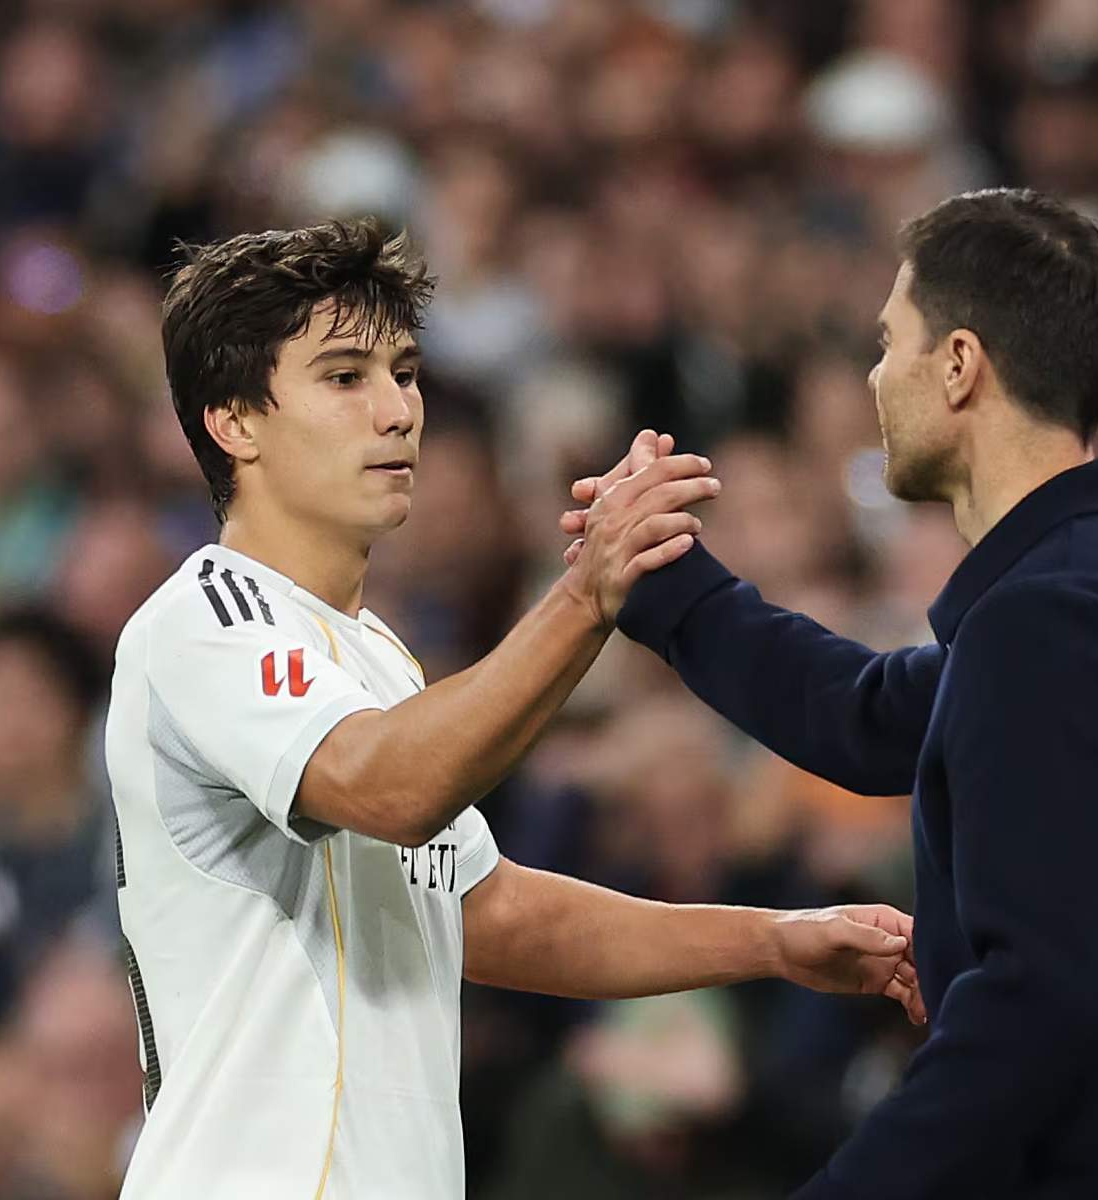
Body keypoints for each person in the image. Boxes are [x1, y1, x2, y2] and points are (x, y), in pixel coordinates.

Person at [106, 218, 925, 1200]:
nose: (397, 410)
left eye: (404, 373)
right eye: (345, 377)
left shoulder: (376, 661)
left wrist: (772, 940)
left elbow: (485, 914)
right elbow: (390, 788)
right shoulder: (206, 620)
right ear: (234, 421)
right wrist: (586, 595)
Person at [565, 188, 1098, 1197]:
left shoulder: (1047, 621)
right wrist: (669, 582)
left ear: (958, 365)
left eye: (888, 342)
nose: (874, 378)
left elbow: (1033, 1006)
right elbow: (870, 718)